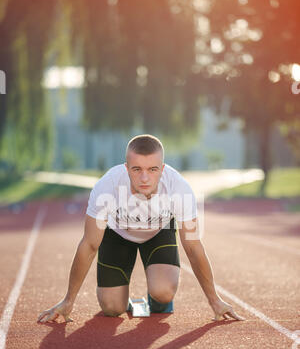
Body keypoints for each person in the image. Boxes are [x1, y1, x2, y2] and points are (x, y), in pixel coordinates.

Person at [37, 134, 244, 323]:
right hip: (117, 234)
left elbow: (193, 247)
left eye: (152, 169)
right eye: (137, 169)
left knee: (163, 292)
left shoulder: (180, 190)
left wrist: (215, 301)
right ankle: (123, 300)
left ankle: (158, 300)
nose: (145, 178)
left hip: (159, 232)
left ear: (162, 169)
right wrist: (68, 300)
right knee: (112, 308)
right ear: (126, 168)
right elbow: (90, 244)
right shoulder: (106, 188)